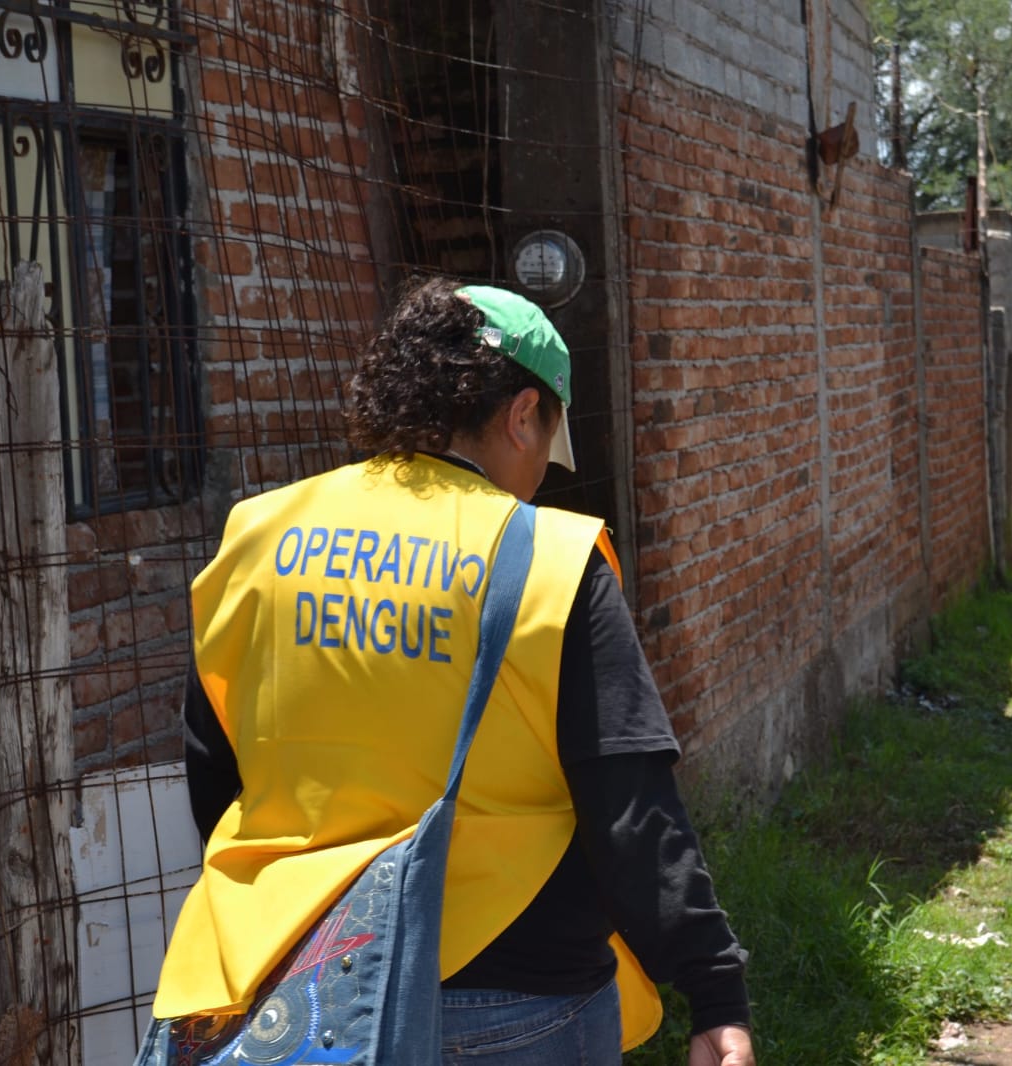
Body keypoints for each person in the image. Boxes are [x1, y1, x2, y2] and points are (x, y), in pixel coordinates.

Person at [147, 279, 754, 1065]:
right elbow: (630, 809)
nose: (541, 476)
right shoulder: (549, 558)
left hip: (292, 995)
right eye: (546, 445)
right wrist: (715, 993)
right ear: (523, 416)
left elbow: (213, 768)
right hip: (513, 997)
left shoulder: (258, 537)